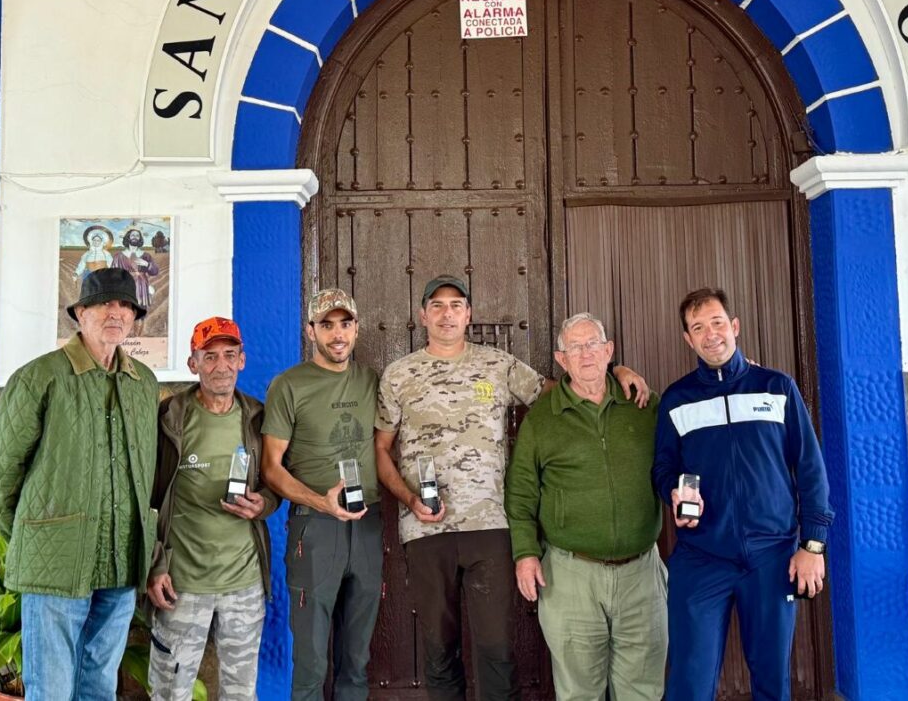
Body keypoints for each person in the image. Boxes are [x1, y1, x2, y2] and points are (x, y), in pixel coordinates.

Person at [375, 275, 649, 701]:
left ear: (468, 314)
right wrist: (410, 499)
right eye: (438, 305)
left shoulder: (498, 365)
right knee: (437, 649)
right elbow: (381, 449)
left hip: (492, 527)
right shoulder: (398, 375)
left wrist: (612, 373)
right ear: (423, 314)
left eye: (457, 305)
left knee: (496, 650)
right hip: (426, 532)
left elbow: (563, 394)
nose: (447, 313)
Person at [0, 268, 158, 700]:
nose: (115, 313)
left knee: (99, 684)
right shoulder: (40, 377)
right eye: (103, 304)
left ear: (134, 316)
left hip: (120, 561)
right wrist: (31, 533)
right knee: (52, 689)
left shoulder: (144, 384)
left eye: (125, 305)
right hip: (56, 565)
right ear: (80, 312)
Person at [653, 287, 834, 701]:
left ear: (734, 326)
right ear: (688, 339)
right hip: (701, 557)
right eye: (698, 327)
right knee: (688, 683)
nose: (710, 334)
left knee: (772, 681)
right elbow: (662, 469)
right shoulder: (676, 400)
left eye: (717, 322)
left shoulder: (777, 387)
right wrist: (674, 491)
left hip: (773, 556)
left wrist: (813, 545)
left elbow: (811, 470)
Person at [505, 312, 667, 700]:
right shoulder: (543, 419)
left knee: (643, 691)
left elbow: (690, 447)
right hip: (570, 575)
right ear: (562, 360)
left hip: (641, 574)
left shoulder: (644, 405)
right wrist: (526, 553)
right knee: (579, 692)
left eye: (593, 343)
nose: (586, 354)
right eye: (575, 347)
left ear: (609, 350)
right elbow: (521, 492)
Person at [146, 316, 280, 700]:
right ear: (193, 364)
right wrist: (154, 566)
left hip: (245, 582)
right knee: (170, 693)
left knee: (241, 693)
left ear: (242, 360)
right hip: (182, 583)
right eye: (209, 356)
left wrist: (264, 504)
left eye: (229, 355)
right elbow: (146, 500)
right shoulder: (169, 419)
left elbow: (275, 482)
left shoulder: (257, 418)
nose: (220, 365)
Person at [262, 288, 383, 701]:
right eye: (326, 325)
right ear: (310, 330)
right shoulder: (289, 385)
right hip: (313, 529)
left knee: (357, 657)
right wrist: (319, 501)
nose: (337, 335)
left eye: (345, 324)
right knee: (311, 659)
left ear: (356, 329)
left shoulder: (371, 380)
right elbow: (271, 468)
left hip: (367, 526)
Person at [111, 226, 159, 312]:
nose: (135, 237)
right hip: (125, 287)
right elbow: (113, 275)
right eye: (133, 235)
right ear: (128, 237)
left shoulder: (146, 256)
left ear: (140, 239)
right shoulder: (118, 257)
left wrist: (147, 264)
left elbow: (155, 271)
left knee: (140, 312)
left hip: (141, 287)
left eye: (137, 235)